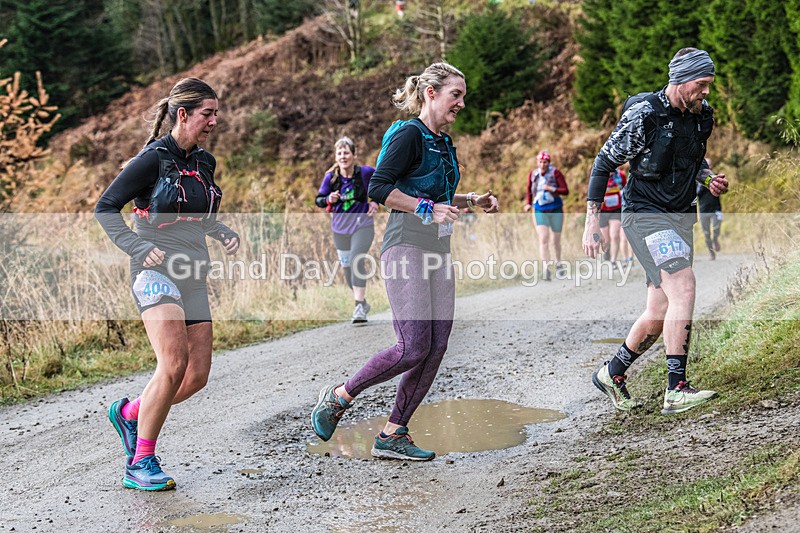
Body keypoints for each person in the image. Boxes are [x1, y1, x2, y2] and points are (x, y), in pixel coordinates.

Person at [310, 62, 499, 460]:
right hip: (405, 245)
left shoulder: (444, 142)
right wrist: (428, 208)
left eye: (463, 96)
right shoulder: (409, 133)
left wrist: (472, 201)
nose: (462, 103)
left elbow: (438, 197)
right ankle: (340, 396)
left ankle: (393, 432)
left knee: (436, 345)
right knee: (413, 345)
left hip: (437, 249)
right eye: (456, 95)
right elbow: (378, 188)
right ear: (431, 93)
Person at [95, 78, 240, 490]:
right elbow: (105, 208)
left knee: (195, 376)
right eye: (207, 113)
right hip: (154, 271)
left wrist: (222, 230)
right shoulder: (151, 159)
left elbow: (199, 212)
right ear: (183, 114)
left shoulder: (205, 162)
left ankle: (130, 415)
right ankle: (140, 462)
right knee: (173, 364)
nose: (214, 120)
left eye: (215, 113)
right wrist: (136, 247)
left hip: (194, 274)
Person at [582, 48, 729, 415]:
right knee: (685, 286)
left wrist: (708, 178)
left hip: (681, 216)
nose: (706, 92)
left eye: (709, 85)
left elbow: (694, 158)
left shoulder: (701, 116)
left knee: (660, 309)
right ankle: (676, 388)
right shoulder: (645, 114)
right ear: (680, 80)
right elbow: (603, 163)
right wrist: (592, 221)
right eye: (702, 84)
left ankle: (611, 373)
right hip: (645, 214)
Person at [315, 136, 379, 323]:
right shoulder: (331, 178)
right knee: (347, 271)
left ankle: (359, 307)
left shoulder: (365, 173)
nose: (343, 156)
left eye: (346, 152)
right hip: (340, 230)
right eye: (339, 153)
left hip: (363, 225)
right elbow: (318, 199)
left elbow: (383, 184)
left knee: (356, 258)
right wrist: (328, 199)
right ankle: (363, 301)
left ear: (354, 155)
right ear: (336, 156)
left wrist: (375, 201)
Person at [523, 150, 569, 280]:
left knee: (556, 240)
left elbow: (565, 190)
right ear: (537, 163)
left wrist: (552, 189)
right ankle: (546, 268)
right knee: (543, 238)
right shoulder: (533, 174)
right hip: (539, 209)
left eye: (545, 162)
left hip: (555, 208)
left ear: (549, 162)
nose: (542, 165)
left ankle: (559, 264)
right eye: (540, 162)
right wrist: (528, 203)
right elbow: (529, 190)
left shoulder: (556, 173)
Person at [599, 167, 626, 264]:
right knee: (605, 239)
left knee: (614, 235)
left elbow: (626, 189)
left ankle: (613, 260)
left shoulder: (620, 175)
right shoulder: (599, 175)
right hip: (603, 211)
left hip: (616, 210)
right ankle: (607, 253)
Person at [697, 157, 722, 260]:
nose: (709, 166)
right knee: (706, 233)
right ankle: (712, 253)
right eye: (707, 164)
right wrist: (704, 183)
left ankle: (715, 239)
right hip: (704, 210)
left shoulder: (716, 177)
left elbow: (723, 190)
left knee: (716, 229)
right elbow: (696, 193)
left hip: (716, 209)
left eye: (710, 165)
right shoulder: (697, 180)